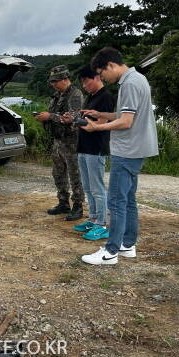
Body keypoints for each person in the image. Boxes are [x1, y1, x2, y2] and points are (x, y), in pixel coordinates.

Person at [79, 47, 158, 265]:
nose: (102, 78)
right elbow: (125, 114)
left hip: (128, 150)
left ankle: (110, 251)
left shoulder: (130, 83)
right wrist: (101, 115)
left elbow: (126, 122)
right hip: (136, 149)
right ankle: (127, 244)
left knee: (116, 201)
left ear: (111, 66)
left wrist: (97, 127)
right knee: (128, 199)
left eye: (102, 73)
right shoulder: (138, 79)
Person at [61, 65, 116, 241]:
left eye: (86, 82)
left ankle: (102, 224)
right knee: (88, 187)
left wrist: (79, 121)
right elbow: (85, 120)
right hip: (83, 146)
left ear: (98, 78)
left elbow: (100, 123)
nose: (84, 86)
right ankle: (93, 219)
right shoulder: (91, 97)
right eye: (82, 83)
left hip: (96, 148)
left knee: (97, 188)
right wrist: (73, 119)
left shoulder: (105, 97)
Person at [35, 65, 84, 221]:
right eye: (52, 82)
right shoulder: (57, 95)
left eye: (56, 81)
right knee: (58, 174)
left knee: (74, 175)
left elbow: (72, 117)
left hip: (71, 142)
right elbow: (55, 113)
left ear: (65, 79)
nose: (53, 84)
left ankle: (78, 206)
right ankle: (63, 203)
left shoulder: (75, 95)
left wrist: (50, 117)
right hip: (58, 141)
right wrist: (46, 117)